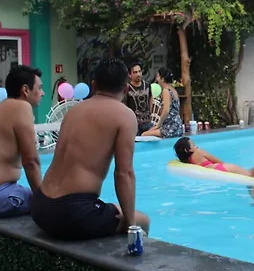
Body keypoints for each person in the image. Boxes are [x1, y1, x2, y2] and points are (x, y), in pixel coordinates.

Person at [31, 58, 150, 240]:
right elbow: (124, 174)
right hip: (73, 214)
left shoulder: (73, 112)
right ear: (126, 89)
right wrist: (131, 224)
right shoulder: (125, 116)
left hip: (41, 206)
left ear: (93, 85)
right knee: (143, 221)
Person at [0, 65, 44, 218]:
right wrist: (43, 203)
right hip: (3, 194)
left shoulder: (3, 107)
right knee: (58, 204)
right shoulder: (21, 107)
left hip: (6, 190)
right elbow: (30, 161)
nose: (43, 93)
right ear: (25, 90)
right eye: (39, 88)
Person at [142, 68, 183, 139]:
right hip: (177, 125)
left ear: (162, 79)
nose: (156, 79)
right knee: (149, 131)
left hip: (170, 128)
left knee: (144, 135)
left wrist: (158, 124)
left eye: (158, 77)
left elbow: (166, 110)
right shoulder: (173, 90)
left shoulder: (166, 91)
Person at [124, 62, 152, 136]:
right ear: (130, 74)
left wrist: (151, 113)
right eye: (135, 72)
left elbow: (150, 99)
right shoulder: (127, 88)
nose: (138, 74)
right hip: (134, 123)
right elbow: (124, 104)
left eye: (139, 71)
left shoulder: (147, 85)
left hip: (148, 121)